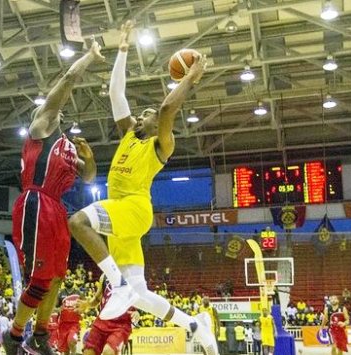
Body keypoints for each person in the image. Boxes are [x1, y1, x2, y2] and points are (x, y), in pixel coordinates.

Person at [67, 20, 217, 355]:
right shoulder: (127, 135)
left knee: (77, 222)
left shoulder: (160, 145)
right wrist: (122, 49)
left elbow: (166, 109)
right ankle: (193, 324)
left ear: (155, 127)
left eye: (146, 115)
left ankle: (117, 285)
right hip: (120, 220)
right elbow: (115, 93)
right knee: (139, 293)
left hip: (133, 209)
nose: (141, 115)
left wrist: (191, 78)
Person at [1, 41, 101, 355]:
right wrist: (89, 56)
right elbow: (68, 81)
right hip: (36, 202)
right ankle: (15, 335)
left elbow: (89, 177)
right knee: (41, 278)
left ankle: (40, 335)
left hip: (57, 208)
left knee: (58, 276)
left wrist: (90, 155)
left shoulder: (66, 148)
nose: (52, 109)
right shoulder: (41, 128)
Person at [78, 274, 134, 355]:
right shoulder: (104, 276)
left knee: (108, 352)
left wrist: (137, 312)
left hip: (120, 324)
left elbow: (139, 298)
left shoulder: (131, 273)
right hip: (102, 321)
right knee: (88, 352)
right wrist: (87, 304)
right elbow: (97, 299)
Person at [56, 279, 82, 355]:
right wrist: (59, 309)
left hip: (74, 324)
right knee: (65, 349)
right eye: (68, 279)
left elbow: (84, 305)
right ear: (64, 282)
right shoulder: (60, 293)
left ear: (73, 282)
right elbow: (54, 307)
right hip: (63, 324)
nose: (69, 280)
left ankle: (73, 353)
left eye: (71, 279)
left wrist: (81, 309)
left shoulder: (78, 293)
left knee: (71, 341)